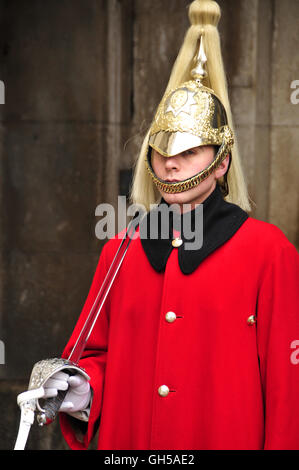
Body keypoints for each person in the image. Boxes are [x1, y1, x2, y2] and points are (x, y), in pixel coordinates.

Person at [43, 0, 299, 450]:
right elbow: (95, 356)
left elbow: (288, 390)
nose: (172, 165)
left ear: (221, 165)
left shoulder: (268, 251)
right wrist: (83, 388)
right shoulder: (120, 249)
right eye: (164, 152)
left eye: (189, 153)